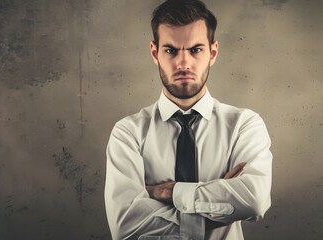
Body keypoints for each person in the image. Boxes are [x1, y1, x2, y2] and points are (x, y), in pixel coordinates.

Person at [104, 0, 273, 239]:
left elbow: (254, 200)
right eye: (171, 50)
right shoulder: (128, 133)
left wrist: (170, 193)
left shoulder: (244, 126)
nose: (183, 63)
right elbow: (126, 227)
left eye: (195, 50)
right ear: (155, 53)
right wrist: (219, 200)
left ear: (212, 53)